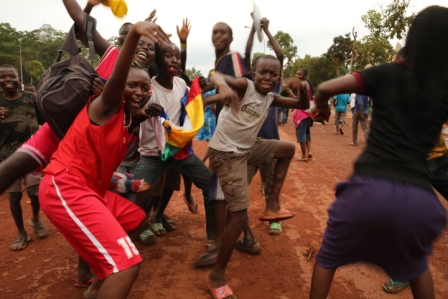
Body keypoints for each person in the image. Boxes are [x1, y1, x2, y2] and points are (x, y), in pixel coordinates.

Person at [309, 6, 448, 299]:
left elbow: (325, 87)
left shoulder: (388, 72)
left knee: (328, 256)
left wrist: (321, 105)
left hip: (368, 189)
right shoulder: (442, 86)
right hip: (421, 201)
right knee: (416, 265)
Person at [38, 21, 169, 299]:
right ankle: (107, 274)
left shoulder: (126, 121)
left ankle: (98, 285)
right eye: (131, 85)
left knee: (136, 219)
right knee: (126, 267)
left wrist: (125, 184)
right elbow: (118, 78)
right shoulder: (106, 105)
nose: (138, 91)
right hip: (65, 187)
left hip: (91, 190)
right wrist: (134, 35)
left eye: (144, 87)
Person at [205, 55, 309, 298]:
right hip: (226, 154)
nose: (268, 78)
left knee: (288, 149)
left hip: (248, 148)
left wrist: (302, 88)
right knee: (239, 218)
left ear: (279, 77)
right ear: (254, 73)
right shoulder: (245, 86)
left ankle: (272, 204)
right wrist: (222, 86)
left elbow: (300, 105)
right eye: (263, 72)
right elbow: (216, 75)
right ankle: (216, 275)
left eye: (274, 74)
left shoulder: (271, 97)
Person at [130, 41, 216, 245]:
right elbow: (132, 114)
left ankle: (213, 237)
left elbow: (195, 99)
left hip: (180, 152)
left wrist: (205, 86)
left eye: (177, 56)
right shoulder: (148, 87)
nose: (175, 60)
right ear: (158, 60)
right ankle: (129, 234)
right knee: (136, 196)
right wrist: (143, 113)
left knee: (212, 186)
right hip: (152, 154)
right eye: (169, 56)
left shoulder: (180, 84)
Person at [0, 64, 47, 251]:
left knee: (34, 192)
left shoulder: (31, 98)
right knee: (14, 196)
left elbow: (44, 120)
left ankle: (36, 218)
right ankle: (21, 233)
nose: (8, 80)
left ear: (18, 78)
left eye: (12, 76)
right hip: (6, 156)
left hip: (31, 153)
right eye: (3, 77)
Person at [292, 68, 314, 161]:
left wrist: (290, 93)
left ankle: (304, 156)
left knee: (301, 132)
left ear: (304, 76)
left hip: (303, 110)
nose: (297, 76)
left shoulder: (301, 84)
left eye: (299, 74)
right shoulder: (307, 83)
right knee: (307, 131)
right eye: (296, 74)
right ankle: (308, 152)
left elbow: (299, 99)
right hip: (311, 109)